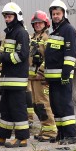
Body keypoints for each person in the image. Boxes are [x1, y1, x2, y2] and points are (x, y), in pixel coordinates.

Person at [0, 2, 30, 148]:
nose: (7, 19)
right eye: (6, 16)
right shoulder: (10, 33)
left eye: (10, 16)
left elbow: (21, 55)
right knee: (6, 108)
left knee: (18, 109)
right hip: (7, 79)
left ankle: (22, 138)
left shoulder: (21, 33)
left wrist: (2, 58)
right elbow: (7, 53)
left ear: (17, 17)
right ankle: (2, 136)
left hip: (17, 79)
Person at [44, 0, 76, 145]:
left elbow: (70, 54)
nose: (56, 16)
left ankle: (71, 136)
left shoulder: (68, 30)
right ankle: (61, 134)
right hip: (53, 78)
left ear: (63, 14)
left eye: (58, 13)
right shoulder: (54, 32)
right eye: (53, 14)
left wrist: (66, 73)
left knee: (65, 106)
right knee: (56, 106)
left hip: (62, 77)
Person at [28, 10, 57, 142]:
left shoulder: (47, 38)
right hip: (32, 77)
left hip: (42, 77)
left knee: (43, 104)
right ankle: (44, 129)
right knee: (36, 105)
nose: (37, 25)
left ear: (45, 24)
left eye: (40, 23)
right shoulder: (32, 38)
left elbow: (50, 57)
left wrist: (42, 71)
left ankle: (51, 130)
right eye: (35, 23)